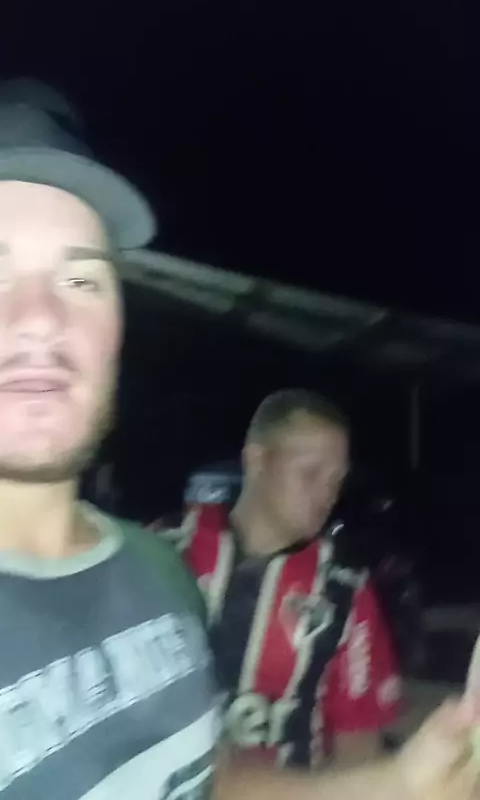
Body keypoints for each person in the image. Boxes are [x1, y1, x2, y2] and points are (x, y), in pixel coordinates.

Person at [0, 77, 477, 800]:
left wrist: (400, 783)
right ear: (256, 458)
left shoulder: (156, 573)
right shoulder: (179, 545)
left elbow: (209, 776)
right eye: (310, 469)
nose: (40, 318)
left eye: (82, 280)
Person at [162, 390, 403, 767]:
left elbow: (358, 747)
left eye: (337, 480)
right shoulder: (165, 555)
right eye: (310, 473)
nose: (327, 494)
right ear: (257, 460)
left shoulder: (345, 591)